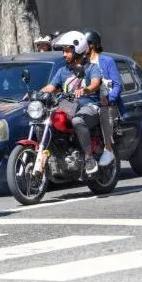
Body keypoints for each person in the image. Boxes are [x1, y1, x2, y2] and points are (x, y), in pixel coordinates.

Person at [40, 31, 102, 175]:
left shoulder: (92, 68)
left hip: (89, 106)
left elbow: (95, 83)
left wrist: (85, 90)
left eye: (67, 51)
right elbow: (51, 87)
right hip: (68, 107)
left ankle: (88, 157)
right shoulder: (62, 71)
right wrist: (36, 93)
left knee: (78, 120)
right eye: (63, 51)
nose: (64, 54)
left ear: (78, 49)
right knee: (46, 121)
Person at [84, 29, 121, 167]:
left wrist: (108, 98)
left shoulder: (107, 61)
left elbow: (117, 85)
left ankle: (108, 149)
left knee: (105, 112)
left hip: (105, 102)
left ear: (92, 45)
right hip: (87, 102)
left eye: (84, 44)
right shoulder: (83, 62)